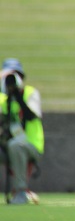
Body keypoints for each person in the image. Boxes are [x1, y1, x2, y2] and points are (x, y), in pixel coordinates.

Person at [0, 58, 44, 205]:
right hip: (8, 145)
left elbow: (32, 116)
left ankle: (20, 192)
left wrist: (18, 97)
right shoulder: (2, 99)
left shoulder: (30, 93)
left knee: (15, 145)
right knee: (12, 145)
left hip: (30, 145)